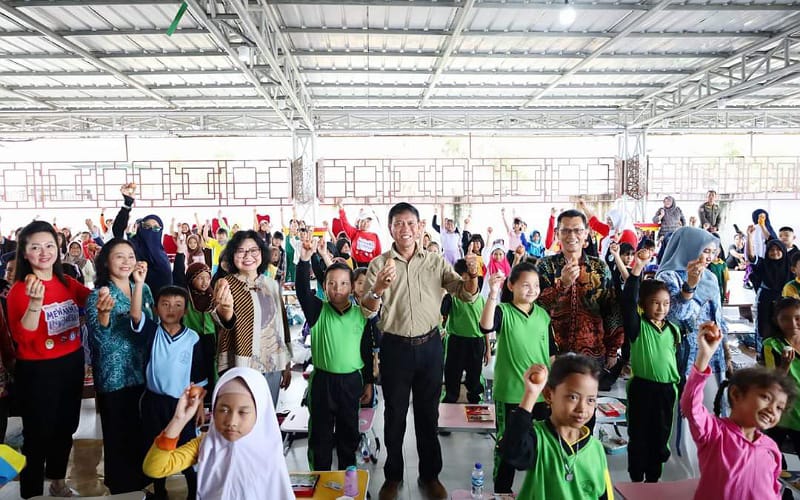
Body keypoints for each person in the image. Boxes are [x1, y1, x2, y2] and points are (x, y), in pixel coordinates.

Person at [360, 202, 480, 500]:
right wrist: (377, 287)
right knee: (395, 416)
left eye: (410, 223)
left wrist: (474, 275)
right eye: (399, 223)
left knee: (428, 414)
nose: (405, 229)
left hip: (430, 347)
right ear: (390, 228)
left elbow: (463, 293)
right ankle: (393, 476)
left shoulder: (435, 261)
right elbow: (365, 311)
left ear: (420, 227)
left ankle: (430, 476)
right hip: (395, 349)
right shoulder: (379, 264)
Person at [6, 221, 91, 498]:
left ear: (58, 248)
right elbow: (23, 335)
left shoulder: (66, 281)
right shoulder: (20, 290)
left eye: (49, 245)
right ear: (25, 252)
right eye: (35, 247)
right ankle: (31, 492)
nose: (44, 252)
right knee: (38, 433)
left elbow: (90, 300)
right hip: (38, 370)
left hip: (71, 364)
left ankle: (57, 480)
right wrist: (34, 303)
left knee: (66, 427)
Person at [142, 367, 294, 498]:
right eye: (223, 409)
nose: (231, 421)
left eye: (243, 412)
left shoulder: (268, 450)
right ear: (213, 410)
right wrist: (179, 419)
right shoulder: (206, 444)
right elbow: (154, 469)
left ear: (260, 414)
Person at [683, 321, 793, 500]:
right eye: (765, 398)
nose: (772, 409)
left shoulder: (771, 449)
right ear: (736, 394)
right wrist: (704, 355)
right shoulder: (715, 433)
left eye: (779, 407)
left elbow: (771, 491)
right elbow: (690, 406)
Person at [296, 239, 375, 471]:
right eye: (331, 283)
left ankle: (347, 482)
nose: (337, 289)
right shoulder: (318, 310)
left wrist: (369, 381)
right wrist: (304, 260)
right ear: (324, 285)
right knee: (320, 435)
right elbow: (302, 290)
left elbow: (366, 350)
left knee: (348, 434)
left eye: (343, 283)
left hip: (351, 381)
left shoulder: (362, 314)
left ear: (351, 287)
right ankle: (318, 480)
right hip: (322, 382)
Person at [479, 263, 556, 495]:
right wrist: (493, 293)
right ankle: (502, 490)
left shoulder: (542, 315)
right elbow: (486, 326)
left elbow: (551, 353)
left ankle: (538, 489)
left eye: (536, 285)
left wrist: (553, 386)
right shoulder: (503, 311)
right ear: (511, 285)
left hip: (542, 394)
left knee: (542, 441)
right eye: (525, 285)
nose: (532, 290)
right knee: (508, 444)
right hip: (511, 392)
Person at [85, 239, 155, 494]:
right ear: (105, 262)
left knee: (141, 432)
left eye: (130, 256)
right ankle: (122, 489)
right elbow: (98, 341)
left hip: (144, 373)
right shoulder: (99, 295)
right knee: (118, 436)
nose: (126, 261)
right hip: (114, 378)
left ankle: (142, 485)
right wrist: (104, 317)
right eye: (119, 257)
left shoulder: (144, 290)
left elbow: (150, 328)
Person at [132, 279, 207, 500]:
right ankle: (159, 489)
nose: (171, 309)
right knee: (156, 445)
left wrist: (199, 405)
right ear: (156, 308)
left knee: (187, 449)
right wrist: (138, 283)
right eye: (165, 304)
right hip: (154, 402)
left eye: (177, 304)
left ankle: (194, 492)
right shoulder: (151, 332)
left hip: (183, 406)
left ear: (185, 309)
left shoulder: (192, 338)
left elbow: (199, 376)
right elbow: (136, 316)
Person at [498, 356, 614, 499]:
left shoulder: (596, 449)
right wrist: (530, 394)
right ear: (548, 394)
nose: (582, 408)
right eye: (573, 397)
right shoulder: (538, 438)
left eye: (591, 400)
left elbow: (605, 495)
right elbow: (511, 452)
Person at [213, 230, 292, 408]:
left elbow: (282, 325)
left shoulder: (271, 284)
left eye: (253, 250)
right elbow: (221, 321)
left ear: (262, 253)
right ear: (232, 255)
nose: (248, 256)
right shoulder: (226, 284)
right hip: (242, 363)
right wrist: (225, 311)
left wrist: (286, 363)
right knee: (246, 414)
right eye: (241, 251)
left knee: (267, 413)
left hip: (273, 362)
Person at [536, 209, 623, 371]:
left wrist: (612, 349)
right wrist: (562, 284)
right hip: (552, 354)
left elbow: (611, 309)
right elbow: (537, 308)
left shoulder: (599, 268)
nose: (572, 235)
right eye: (566, 230)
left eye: (577, 230)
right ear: (557, 234)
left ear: (586, 234)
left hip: (592, 355)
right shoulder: (544, 266)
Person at [621, 248, 680, 483]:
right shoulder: (638, 327)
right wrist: (638, 266)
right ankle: (636, 481)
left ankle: (653, 481)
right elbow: (628, 301)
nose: (661, 308)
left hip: (667, 390)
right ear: (644, 305)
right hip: (642, 389)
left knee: (660, 436)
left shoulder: (673, 329)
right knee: (639, 436)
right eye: (655, 303)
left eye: (665, 303)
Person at [441, 259, 489, 405]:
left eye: (471, 276)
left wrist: (487, 347)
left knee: (474, 374)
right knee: (452, 372)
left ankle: (475, 398)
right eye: (464, 276)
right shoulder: (452, 297)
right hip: (456, 340)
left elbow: (485, 325)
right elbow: (442, 315)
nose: (467, 280)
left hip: (476, 341)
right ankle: (450, 398)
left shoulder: (481, 299)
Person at [112, 183, 172, 295]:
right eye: (147, 227)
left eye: (156, 228)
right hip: (135, 304)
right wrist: (127, 204)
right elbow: (118, 231)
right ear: (140, 228)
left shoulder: (161, 254)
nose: (150, 230)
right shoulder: (132, 248)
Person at [762, 297, 800, 469]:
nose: (792, 323)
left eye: (798, 318)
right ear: (776, 321)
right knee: (773, 460)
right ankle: (778, 493)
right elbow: (773, 384)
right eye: (785, 318)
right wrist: (784, 365)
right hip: (781, 413)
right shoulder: (772, 345)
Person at [749, 238, 791, 350]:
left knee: (783, 327)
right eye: (771, 250)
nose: (774, 252)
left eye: (778, 249)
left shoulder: (789, 266)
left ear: (783, 250)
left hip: (784, 303)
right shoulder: (763, 264)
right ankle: (763, 353)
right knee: (765, 328)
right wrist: (750, 236)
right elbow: (751, 257)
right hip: (765, 302)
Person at [337, 200, 382, 267]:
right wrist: (341, 209)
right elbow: (345, 223)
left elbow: (378, 253)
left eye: (368, 221)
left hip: (371, 266)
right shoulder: (354, 233)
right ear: (358, 222)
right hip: (356, 265)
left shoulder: (375, 236)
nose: (365, 223)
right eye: (363, 221)